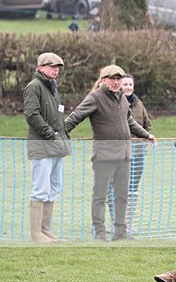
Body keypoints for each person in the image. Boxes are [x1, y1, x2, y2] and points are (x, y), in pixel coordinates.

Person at [65, 65, 156, 241]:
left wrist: (146, 135)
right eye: (112, 79)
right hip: (104, 156)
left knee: (122, 195)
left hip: (124, 155)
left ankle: (120, 232)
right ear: (103, 80)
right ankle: (99, 232)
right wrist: (61, 133)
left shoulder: (122, 98)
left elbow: (129, 121)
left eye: (118, 79)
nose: (116, 82)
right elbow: (76, 116)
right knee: (100, 195)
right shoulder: (95, 97)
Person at [23, 52, 72, 243]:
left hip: (56, 146)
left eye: (58, 67)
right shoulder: (34, 87)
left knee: (54, 187)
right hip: (42, 145)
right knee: (40, 189)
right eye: (52, 66)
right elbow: (32, 114)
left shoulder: (52, 86)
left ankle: (45, 230)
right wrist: (50, 134)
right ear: (40, 67)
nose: (56, 70)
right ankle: (36, 234)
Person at [122, 73, 151, 235]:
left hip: (138, 153)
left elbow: (147, 123)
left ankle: (129, 222)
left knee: (133, 189)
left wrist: (147, 137)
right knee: (119, 188)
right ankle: (118, 222)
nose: (128, 87)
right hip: (121, 153)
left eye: (130, 85)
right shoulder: (116, 103)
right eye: (125, 84)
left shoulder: (139, 104)